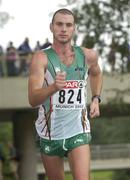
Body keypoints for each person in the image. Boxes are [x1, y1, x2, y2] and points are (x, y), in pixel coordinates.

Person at [28, 8, 102, 180]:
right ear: (51, 27)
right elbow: (32, 99)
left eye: (68, 25)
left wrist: (96, 98)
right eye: (59, 24)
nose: (63, 29)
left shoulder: (87, 55)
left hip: (78, 131)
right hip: (50, 133)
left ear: (74, 28)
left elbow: (97, 73)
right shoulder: (41, 58)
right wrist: (53, 87)